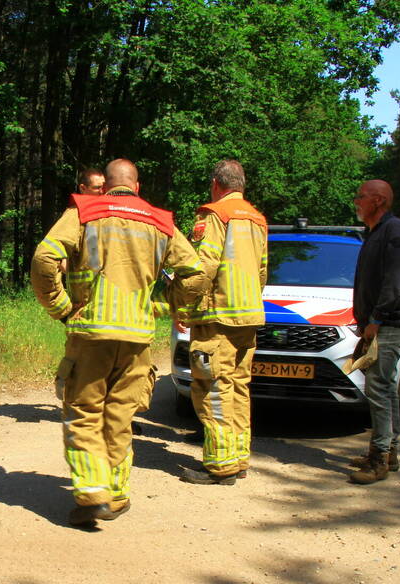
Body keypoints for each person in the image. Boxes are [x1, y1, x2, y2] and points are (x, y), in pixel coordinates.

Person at [31, 158, 210, 527]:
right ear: (137, 187)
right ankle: (115, 495)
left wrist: (61, 306)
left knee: (84, 412)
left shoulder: (84, 211)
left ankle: (93, 493)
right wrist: (163, 305)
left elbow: (44, 257)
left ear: (106, 185)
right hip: (137, 339)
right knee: (119, 417)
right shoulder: (161, 221)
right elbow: (195, 273)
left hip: (91, 335)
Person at [177, 160, 269, 486]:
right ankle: (238, 459)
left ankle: (220, 466)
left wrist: (183, 303)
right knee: (239, 389)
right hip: (248, 317)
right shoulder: (258, 219)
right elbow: (261, 272)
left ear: (217, 184)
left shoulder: (214, 214)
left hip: (217, 317)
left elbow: (203, 266)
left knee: (213, 389)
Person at [347, 179, 400, 484]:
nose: (356, 201)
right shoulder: (376, 232)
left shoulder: (395, 231)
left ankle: (378, 461)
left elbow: (396, 280)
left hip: (391, 321)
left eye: (361, 196)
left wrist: (376, 318)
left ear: (378, 200)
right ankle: (388, 452)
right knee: (386, 388)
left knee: (378, 388)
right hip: (382, 321)